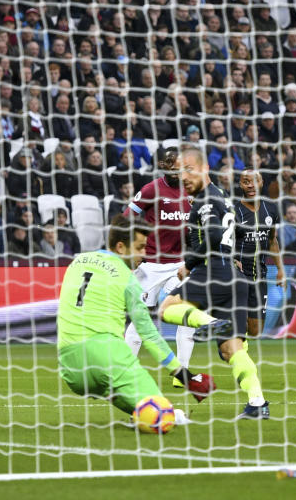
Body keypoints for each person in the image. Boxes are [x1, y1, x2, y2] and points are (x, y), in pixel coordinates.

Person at [56, 214, 215, 421]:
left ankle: (143, 412)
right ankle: (167, 414)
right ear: (121, 247)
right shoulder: (127, 278)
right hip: (104, 355)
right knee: (163, 417)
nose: (144, 254)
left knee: (138, 407)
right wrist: (182, 374)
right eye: (140, 247)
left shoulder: (76, 262)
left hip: (69, 366)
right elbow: (148, 333)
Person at [159, 145, 269, 420]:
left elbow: (211, 235)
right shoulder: (222, 197)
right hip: (235, 279)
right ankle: (257, 403)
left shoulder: (206, 200)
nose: (183, 177)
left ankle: (208, 324)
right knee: (231, 348)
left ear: (205, 168)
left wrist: (189, 265)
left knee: (166, 308)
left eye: (189, 170)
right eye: (179, 172)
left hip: (213, 271)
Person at [122, 147, 195, 376]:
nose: (174, 167)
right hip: (151, 265)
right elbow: (126, 218)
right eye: (169, 163)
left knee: (185, 316)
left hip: (179, 265)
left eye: (178, 163)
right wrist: (133, 252)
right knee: (139, 318)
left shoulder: (192, 192)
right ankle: (125, 370)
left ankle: (182, 373)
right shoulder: (151, 189)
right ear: (163, 165)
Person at [234, 169, 285, 337]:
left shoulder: (271, 209)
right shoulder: (233, 210)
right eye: (246, 181)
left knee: (255, 332)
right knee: (239, 327)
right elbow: (221, 242)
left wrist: (280, 269)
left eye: (255, 181)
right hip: (237, 277)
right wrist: (231, 259)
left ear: (262, 183)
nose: (251, 186)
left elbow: (272, 241)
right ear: (240, 184)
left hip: (260, 277)